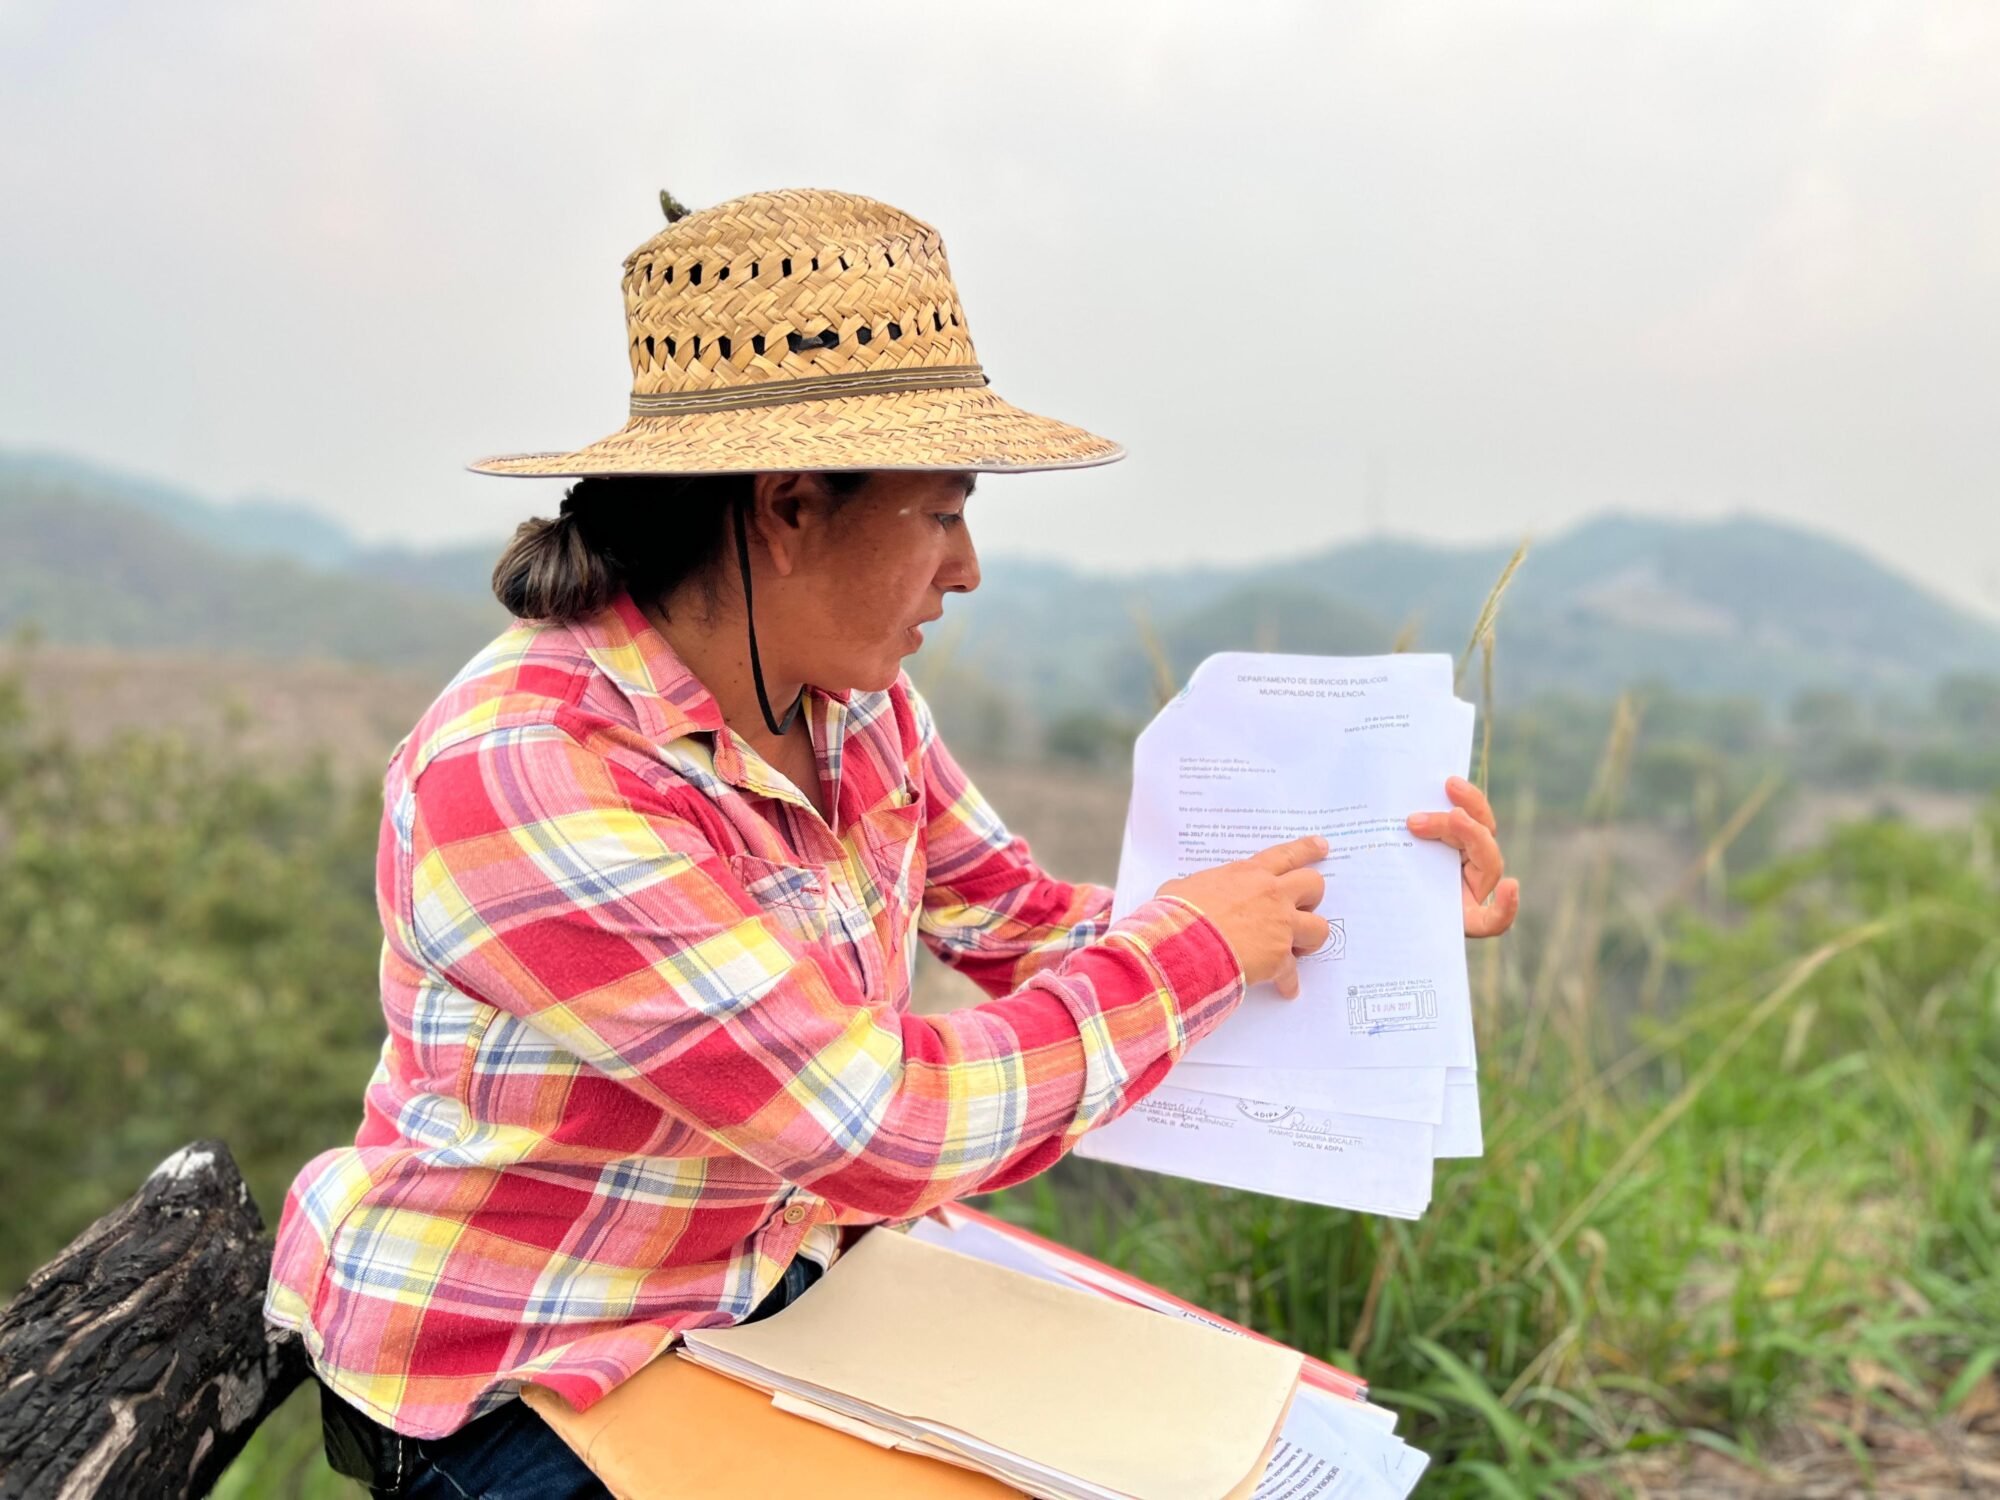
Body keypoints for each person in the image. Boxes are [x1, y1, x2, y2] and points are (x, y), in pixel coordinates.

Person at [265, 188, 1520, 1498]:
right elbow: (884, 1129)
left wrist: (1379, 914)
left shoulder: (856, 707)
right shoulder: (535, 770)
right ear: (791, 507)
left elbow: (1024, 924)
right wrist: (1192, 953)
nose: (967, 567)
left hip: (766, 1305)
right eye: (941, 512)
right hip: (532, 1376)